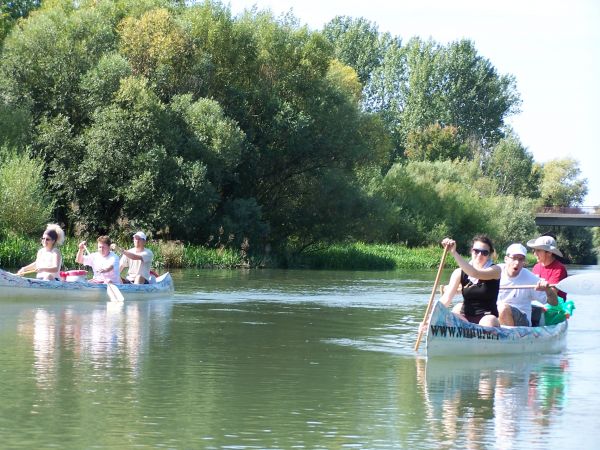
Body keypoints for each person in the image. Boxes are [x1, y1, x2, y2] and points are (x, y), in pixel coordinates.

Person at [439, 235, 501, 327]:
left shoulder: (495, 270)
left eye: (484, 252)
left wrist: (454, 253)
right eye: (476, 251)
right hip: (466, 317)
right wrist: (430, 318)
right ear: (471, 251)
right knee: (448, 319)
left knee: (488, 322)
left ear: (489, 255)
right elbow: (446, 299)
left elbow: (474, 273)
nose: (480, 255)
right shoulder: (458, 272)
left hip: (487, 317)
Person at [497, 243, 558, 326]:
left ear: (524, 262)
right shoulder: (494, 271)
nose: (517, 263)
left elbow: (554, 303)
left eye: (521, 259)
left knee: (503, 308)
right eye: (514, 258)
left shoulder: (531, 279)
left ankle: (510, 338)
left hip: (522, 322)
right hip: (495, 315)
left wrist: (547, 290)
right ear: (506, 259)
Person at [527, 235, 568, 300]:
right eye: (534, 250)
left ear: (549, 253)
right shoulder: (536, 267)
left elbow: (553, 294)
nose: (535, 254)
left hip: (555, 307)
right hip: (538, 303)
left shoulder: (559, 269)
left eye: (538, 250)